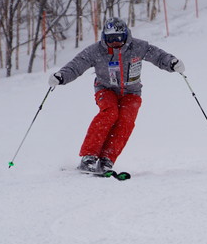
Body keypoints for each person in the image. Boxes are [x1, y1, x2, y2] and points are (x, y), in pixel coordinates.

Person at [48, 17, 184, 174]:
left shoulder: (138, 47)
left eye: (118, 38)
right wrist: (61, 76)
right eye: (110, 38)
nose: (114, 42)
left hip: (131, 92)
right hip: (106, 89)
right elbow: (77, 65)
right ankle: (89, 157)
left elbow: (159, 56)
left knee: (126, 121)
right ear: (104, 37)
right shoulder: (96, 51)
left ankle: (107, 159)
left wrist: (172, 63)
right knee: (110, 113)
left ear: (126, 36)